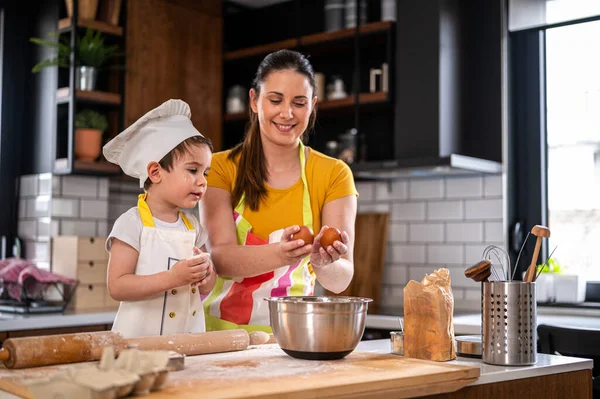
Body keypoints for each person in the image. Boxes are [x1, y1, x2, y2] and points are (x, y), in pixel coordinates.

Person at [201, 50, 358, 332]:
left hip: (292, 338)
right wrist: (283, 254)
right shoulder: (219, 168)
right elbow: (221, 259)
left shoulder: (334, 174)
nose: (286, 113)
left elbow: (341, 280)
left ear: (312, 105)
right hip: (220, 339)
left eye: (299, 103)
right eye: (275, 100)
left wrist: (324, 264)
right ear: (254, 101)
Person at [103, 99, 216, 338]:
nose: (203, 180)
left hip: (188, 342)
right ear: (155, 172)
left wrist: (206, 273)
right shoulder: (131, 224)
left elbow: (207, 286)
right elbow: (118, 286)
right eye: (193, 170)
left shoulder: (193, 226)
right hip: (138, 347)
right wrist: (173, 278)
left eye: (205, 172)